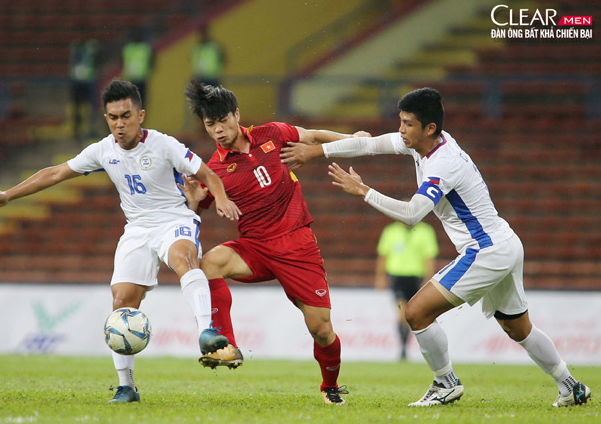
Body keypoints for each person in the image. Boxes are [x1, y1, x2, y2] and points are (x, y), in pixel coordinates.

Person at [279, 87, 592, 408]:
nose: (401, 130)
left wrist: (363, 191)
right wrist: (316, 152)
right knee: (518, 327)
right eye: (400, 122)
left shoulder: (444, 163)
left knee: (415, 313)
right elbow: (370, 143)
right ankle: (571, 386)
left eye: (408, 124)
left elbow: (413, 214)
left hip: (486, 250)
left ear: (430, 128)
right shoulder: (424, 143)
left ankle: (445, 383)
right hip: (504, 243)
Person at [0, 79, 241, 404]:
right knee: (121, 303)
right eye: (113, 117)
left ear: (140, 115)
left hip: (174, 219)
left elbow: (208, 174)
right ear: (106, 118)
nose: (120, 123)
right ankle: (126, 386)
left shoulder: (163, 144)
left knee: (183, 258)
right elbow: (55, 173)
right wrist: (8, 194)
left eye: (126, 115)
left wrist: (221, 197)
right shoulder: (102, 150)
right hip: (137, 229)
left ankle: (206, 330)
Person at [184, 80, 368, 405]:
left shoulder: (272, 133)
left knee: (322, 330)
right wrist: (193, 200)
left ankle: (330, 386)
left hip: (297, 244)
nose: (218, 130)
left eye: (223, 120)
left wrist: (350, 139)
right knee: (210, 262)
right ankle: (226, 344)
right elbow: (196, 209)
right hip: (255, 247)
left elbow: (312, 135)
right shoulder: (213, 170)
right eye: (210, 124)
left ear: (236, 114)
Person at [376, 219, 438, 360]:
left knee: (413, 314)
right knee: (402, 313)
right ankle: (403, 347)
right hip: (397, 277)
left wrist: (428, 278)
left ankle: (406, 346)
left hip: (416, 277)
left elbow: (429, 258)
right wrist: (380, 277)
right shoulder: (390, 231)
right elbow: (383, 255)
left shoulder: (426, 231)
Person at [69, 38, 100, 140]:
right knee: (78, 108)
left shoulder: (89, 50)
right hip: (80, 82)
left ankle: (89, 129)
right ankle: (78, 130)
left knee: (90, 107)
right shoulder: (78, 51)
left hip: (87, 82)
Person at [122, 31, 153, 103]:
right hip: (137, 78)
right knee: (138, 100)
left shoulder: (129, 49)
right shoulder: (144, 48)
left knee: (137, 100)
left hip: (137, 78)